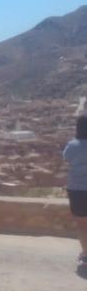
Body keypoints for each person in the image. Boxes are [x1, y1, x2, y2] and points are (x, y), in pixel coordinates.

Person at [62, 115, 87, 272]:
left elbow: (66, 158)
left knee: (82, 224)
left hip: (77, 189)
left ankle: (86, 255)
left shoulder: (73, 145)